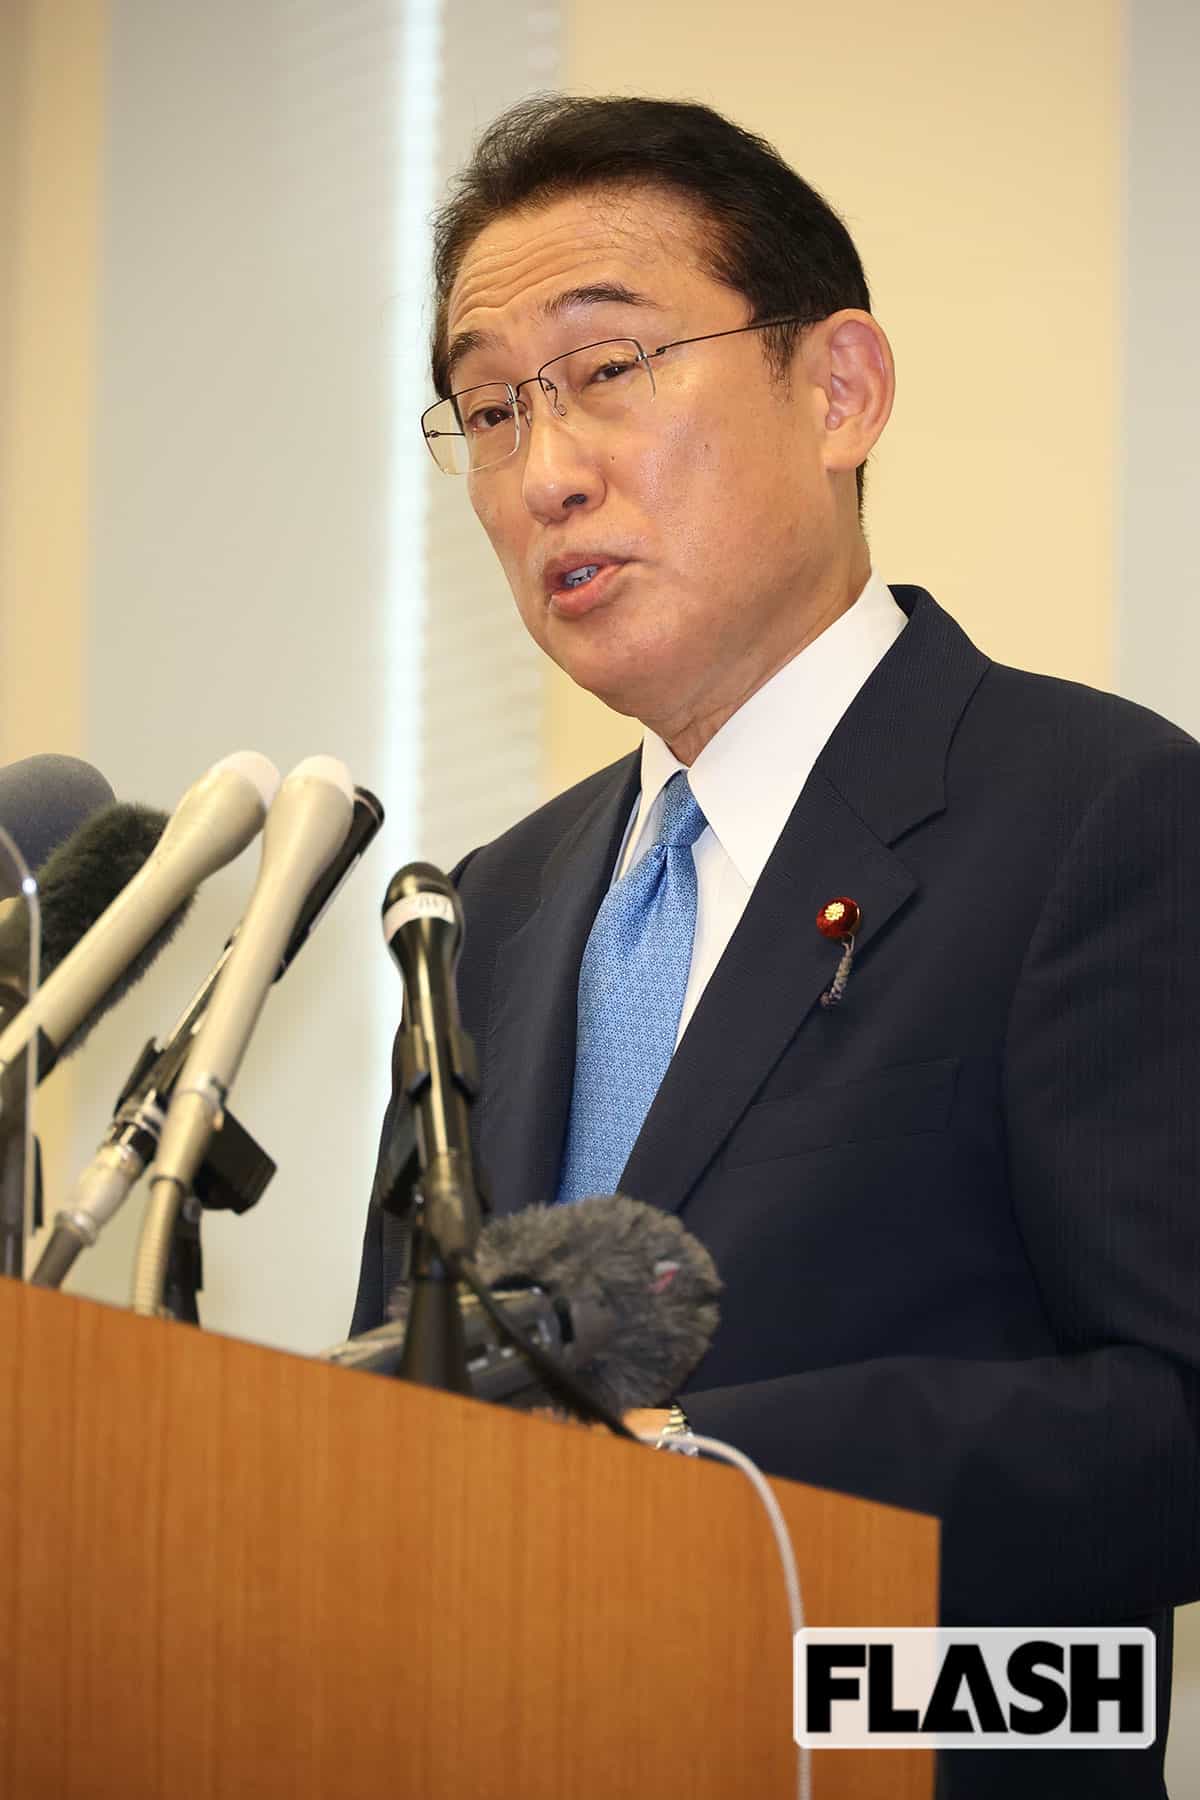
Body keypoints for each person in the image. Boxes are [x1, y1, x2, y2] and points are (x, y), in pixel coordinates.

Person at [351, 93, 1200, 1796]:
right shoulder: (485, 908)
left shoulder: (1095, 813)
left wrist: (699, 1472)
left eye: (607, 368)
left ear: (840, 391)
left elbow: (1176, 1413)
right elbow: (405, 1415)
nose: (545, 471)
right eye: (492, 409)